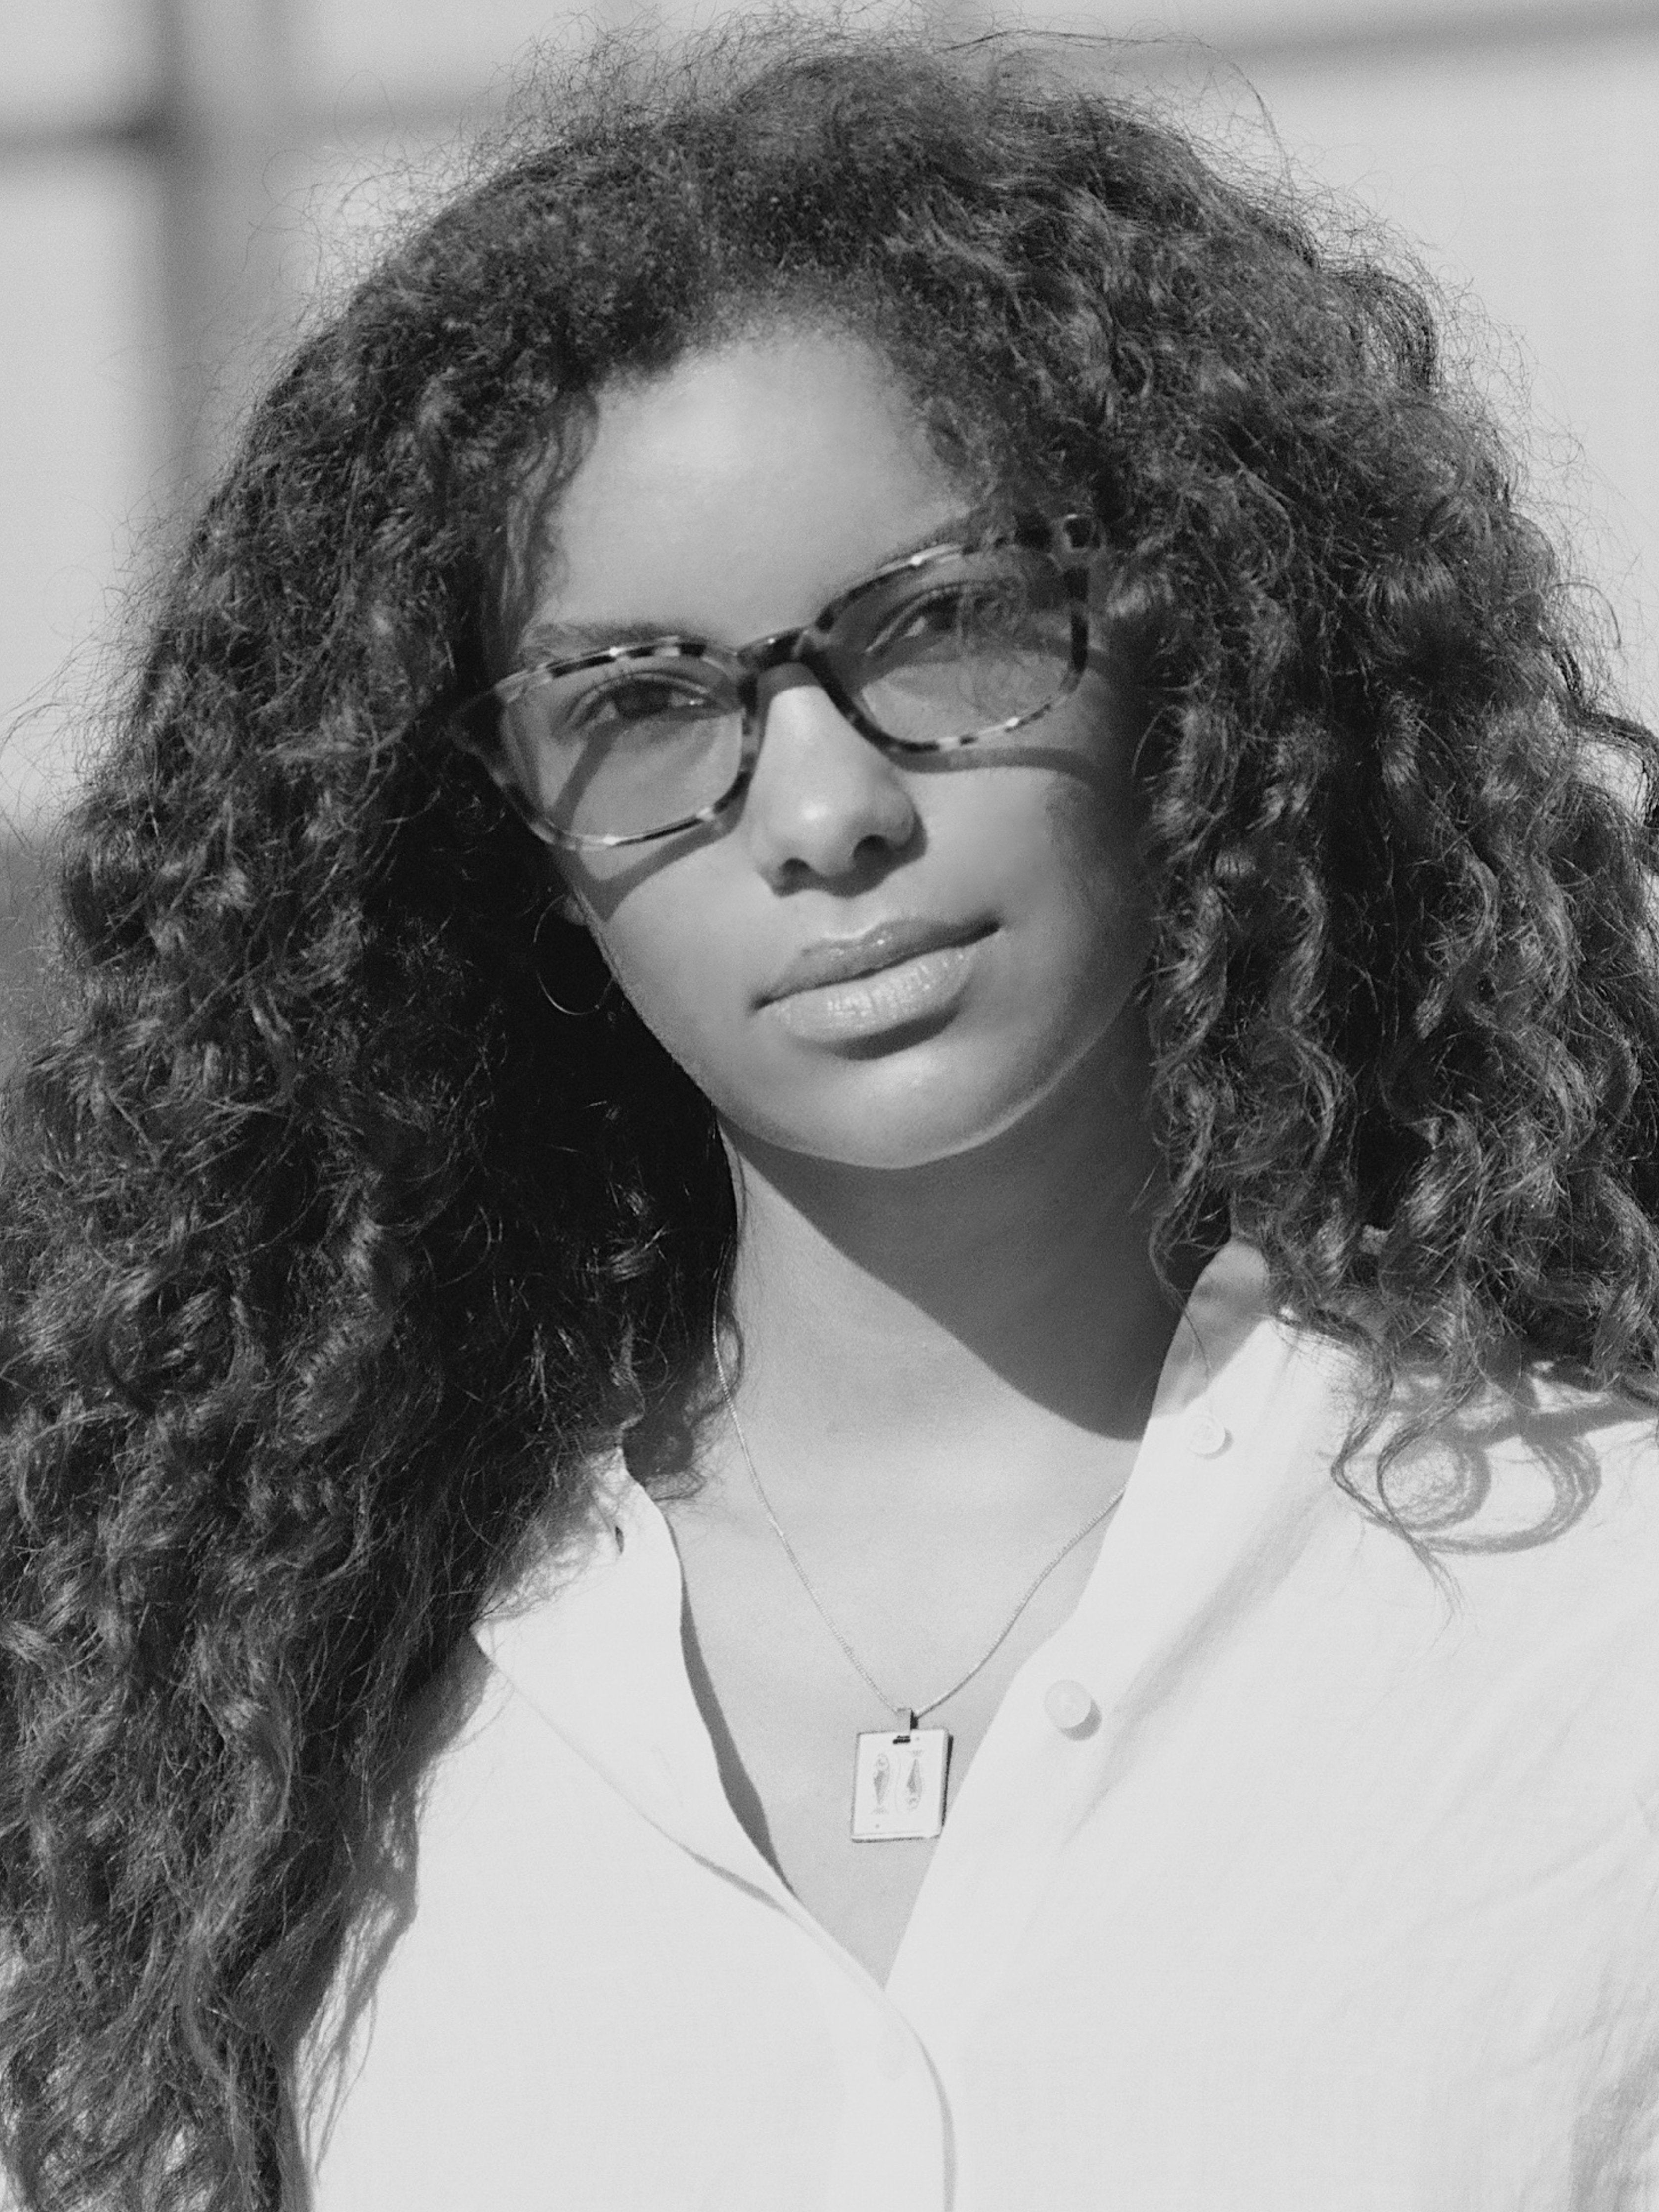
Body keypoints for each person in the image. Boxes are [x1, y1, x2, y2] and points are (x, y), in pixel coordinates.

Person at [2, 20, 1659, 2211]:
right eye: (647, 701)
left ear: (1195, 645)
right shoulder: (225, 1731)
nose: (824, 807)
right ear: (497, 814)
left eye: (946, 626)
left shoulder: (1593, 1632)